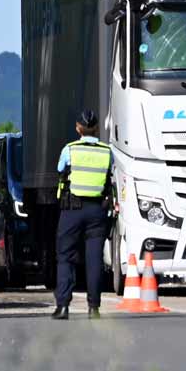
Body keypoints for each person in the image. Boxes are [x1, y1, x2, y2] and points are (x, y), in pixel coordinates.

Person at [52, 110, 114, 320]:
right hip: (97, 210)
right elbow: (110, 175)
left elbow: (60, 169)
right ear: (96, 128)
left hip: (72, 210)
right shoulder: (107, 151)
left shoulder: (70, 149)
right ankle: (94, 308)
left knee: (65, 256)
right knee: (94, 259)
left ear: (78, 127)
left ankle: (63, 306)